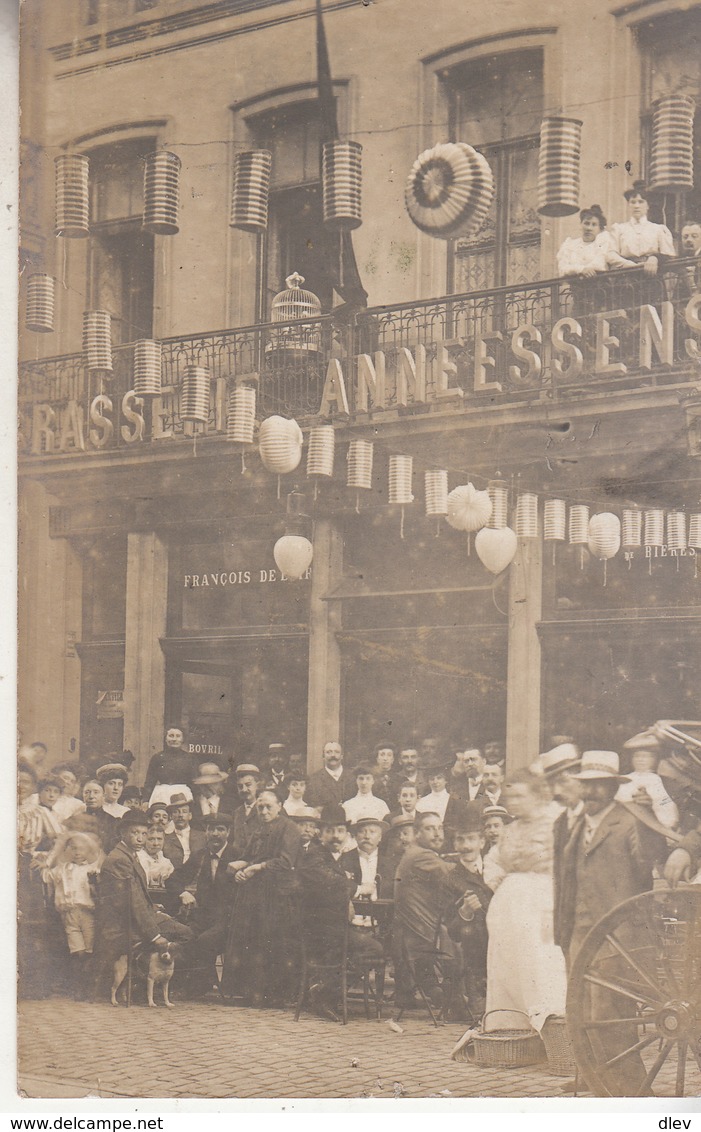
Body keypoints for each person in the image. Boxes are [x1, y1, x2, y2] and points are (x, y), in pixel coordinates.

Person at [555, 750, 667, 1096]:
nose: (589, 793)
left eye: (598, 787)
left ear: (612, 787)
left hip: (617, 937)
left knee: (609, 1014)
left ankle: (632, 1090)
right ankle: (593, 1076)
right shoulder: (574, 824)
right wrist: (563, 931)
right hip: (579, 932)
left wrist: (647, 816)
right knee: (581, 1010)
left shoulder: (629, 820)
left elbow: (649, 859)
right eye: (586, 786)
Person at [483, 769, 567, 1032]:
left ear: (538, 795)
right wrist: (498, 879)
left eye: (521, 796)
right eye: (511, 797)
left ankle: (551, 1029)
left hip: (541, 901)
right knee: (507, 965)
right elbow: (493, 860)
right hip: (508, 907)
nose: (514, 802)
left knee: (539, 962)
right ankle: (513, 1028)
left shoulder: (556, 822)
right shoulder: (510, 829)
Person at [297, 804, 385, 1021]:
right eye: (329, 831)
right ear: (320, 833)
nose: (335, 836)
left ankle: (325, 989)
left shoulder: (332, 857)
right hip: (318, 930)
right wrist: (358, 889)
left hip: (333, 927)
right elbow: (330, 883)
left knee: (365, 948)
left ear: (346, 834)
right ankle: (325, 992)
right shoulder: (313, 856)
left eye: (339, 831)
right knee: (374, 949)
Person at [220, 790, 303, 1007]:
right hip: (254, 895)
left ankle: (275, 995)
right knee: (252, 942)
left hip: (277, 897)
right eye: (260, 807)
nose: (264, 811)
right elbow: (248, 857)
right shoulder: (258, 829)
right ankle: (252, 992)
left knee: (272, 942)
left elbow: (285, 862)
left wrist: (258, 867)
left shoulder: (290, 828)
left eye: (268, 807)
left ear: (279, 806)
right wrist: (240, 869)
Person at [92, 810, 170, 1000]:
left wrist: (154, 909)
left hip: (129, 919)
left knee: (174, 923)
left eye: (144, 834)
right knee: (185, 934)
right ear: (123, 833)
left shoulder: (129, 855)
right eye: (135, 833)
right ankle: (152, 984)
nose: (141, 838)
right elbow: (132, 903)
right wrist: (155, 935)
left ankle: (147, 983)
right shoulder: (120, 859)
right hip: (121, 926)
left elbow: (136, 899)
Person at [393, 811, 463, 1010]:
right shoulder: (421, 855)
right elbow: (453, 876)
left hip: (414, 933)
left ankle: (443, 995)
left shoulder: (415, 853)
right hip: (425, 936)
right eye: (430, 828)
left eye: (439, 828)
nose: (437, 833)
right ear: (417, 833)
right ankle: (459, 1001)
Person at [444, 808, 493, 1021]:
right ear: (454, 845)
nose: (466, 846)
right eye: (460, 840)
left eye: (471, 839)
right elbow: (453, 931)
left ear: (482, 842)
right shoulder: (451, 879)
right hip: (476, 953)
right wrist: (464, 912)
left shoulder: (495, 870)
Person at [42, 832, 102, 998]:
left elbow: (99, 891)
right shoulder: (61, 869)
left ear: (88, 850)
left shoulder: (92, 869)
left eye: (81, 849)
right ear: (66, 850)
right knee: (77, 950)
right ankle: (78, 987)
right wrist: (44, 860)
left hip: (88, 913)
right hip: (69, 913)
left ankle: (88, 987)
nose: (77, 852)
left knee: (89, 949)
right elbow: (45, 876)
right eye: (73, 848)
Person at [610, 182, 676, 275]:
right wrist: (630, 265)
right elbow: (611, 254)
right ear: (628, 205)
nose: (636, 206)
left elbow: (669, 255)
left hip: (652, 278)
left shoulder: (658, 229)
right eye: (633, 202)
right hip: (626, 277)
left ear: (647, 205)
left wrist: (655, 258)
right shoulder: (619, 229)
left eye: (641, 202)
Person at [616, 737, 679, 829]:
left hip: (654, 825)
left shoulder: (660, 781)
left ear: (654, 759)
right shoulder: (624, 779)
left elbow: (666, 806)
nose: (640, 760)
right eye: (637, 756)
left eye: (645, 756)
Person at [557, 204, 635, 277]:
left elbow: (599, 265)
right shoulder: (570, 245)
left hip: (599, 288)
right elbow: (562, 269)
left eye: (594, 225)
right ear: (581, 224)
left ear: (600, 229)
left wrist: (575, 269)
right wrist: (581, 269)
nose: (589, 228)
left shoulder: (603, 242)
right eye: (586, 223)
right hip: (574, 290)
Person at [341, 816, 392, 900]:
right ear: (356, 836)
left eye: (372, 832)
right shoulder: (344, 859)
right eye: (362, 832)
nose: (367, 836)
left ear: (380, 837)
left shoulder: (390, 862)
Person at [143, 727, 197, 805]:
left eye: (178, 736)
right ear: (165, 738)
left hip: (183, 795)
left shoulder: (189, 758)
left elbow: (194, 782)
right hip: (162, 795)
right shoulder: (158, 757)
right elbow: (150, 781)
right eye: (171, 736)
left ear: (183, 739)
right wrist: (146, 800)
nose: (174, 739)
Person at [65, 780, 121, 853]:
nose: (91, 796)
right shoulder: (74, 820)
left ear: (103, 795)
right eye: (87, 792)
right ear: (83, 795)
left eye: (96, 792)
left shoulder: (112, 821)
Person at [305, 741, 355, 808]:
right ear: (323, 756)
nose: (333, 755)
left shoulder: (353, 777)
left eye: (336, 752)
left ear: (342, 756)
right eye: (329, 752)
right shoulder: (313, 780)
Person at [163, 793, 206, 867]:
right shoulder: (165, 840)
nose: (180, 815)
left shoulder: (203, 836)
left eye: (184, 811)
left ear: (190, 816)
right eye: (176, 812)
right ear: (171, 816)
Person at [230, 764, 262, 856]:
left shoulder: (267, 810)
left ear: (258, 785)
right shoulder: (236, 812)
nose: (244, 790)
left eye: (248, 785)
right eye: (240, 786)